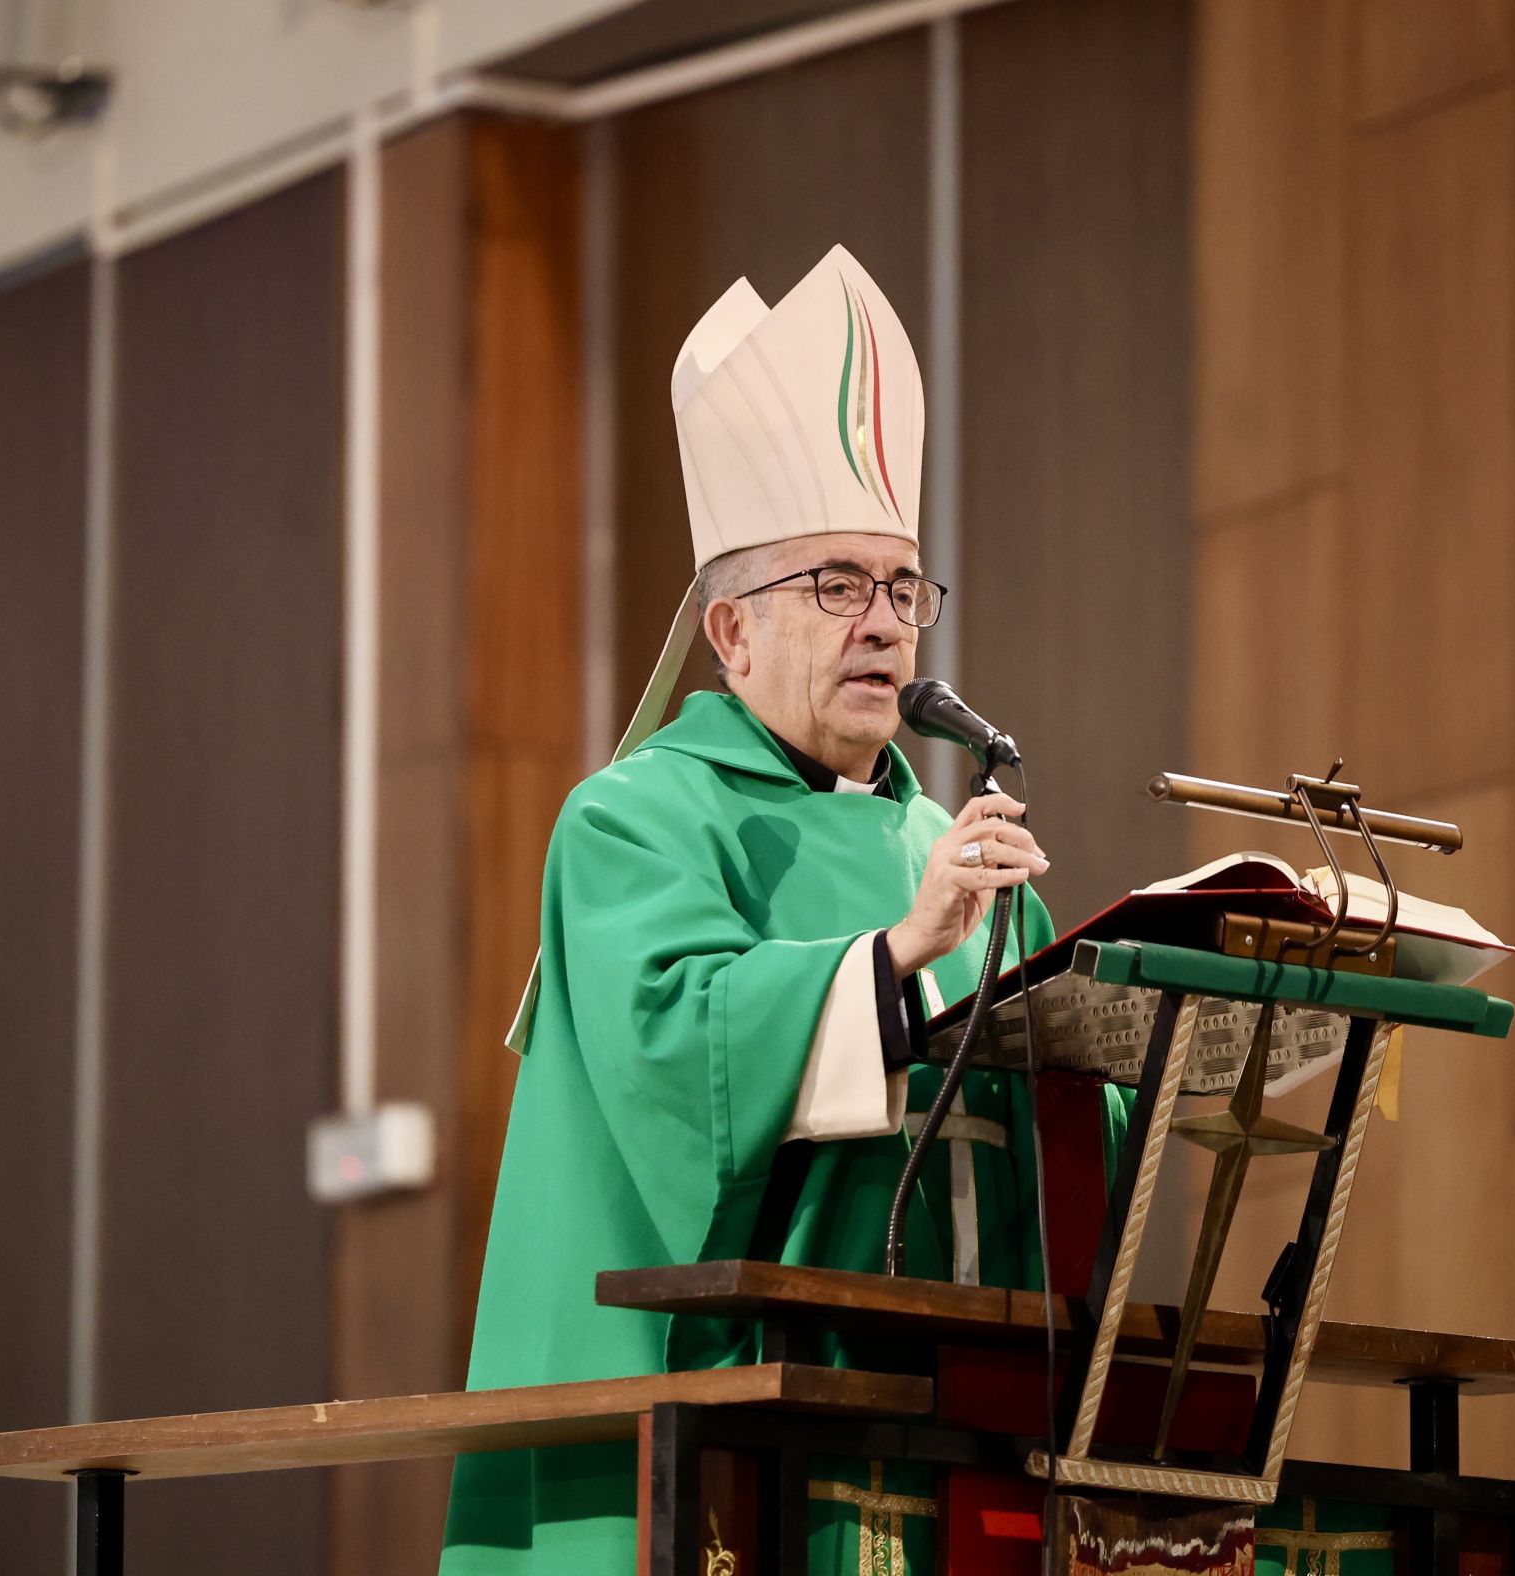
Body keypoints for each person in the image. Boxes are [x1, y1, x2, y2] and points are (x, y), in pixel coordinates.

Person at [440, 245, 1123, 1575]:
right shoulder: (634, 820)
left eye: (901, 588)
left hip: (934, 1427)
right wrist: (896, 953)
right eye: (835, 586)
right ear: (731, 632)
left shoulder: (953, 845)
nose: (883, 626)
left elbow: (1047, 1121)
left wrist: (1188, 1051)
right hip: (712, 1428)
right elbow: (677, 1067)